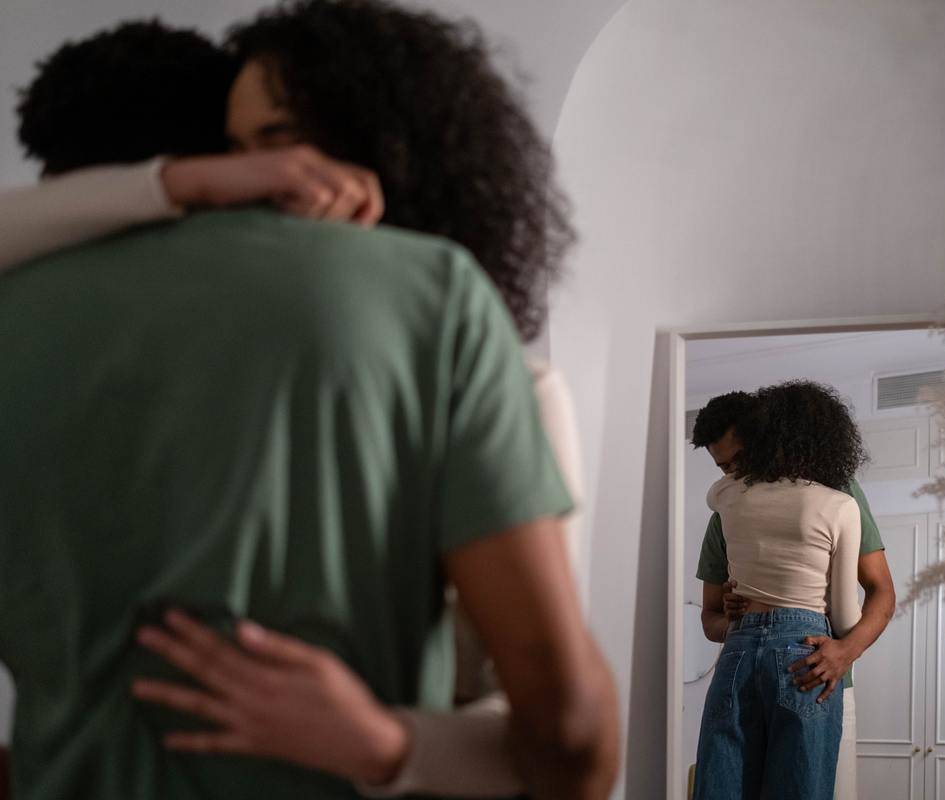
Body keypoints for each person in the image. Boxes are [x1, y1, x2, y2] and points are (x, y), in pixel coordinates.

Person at [0, 7, 615, 800]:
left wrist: (390, 745)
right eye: (236, 152)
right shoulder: (432, 314)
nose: (266, 179)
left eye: (283, 143)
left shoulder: (478, 356)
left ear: (394, 152)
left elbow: (543, 719)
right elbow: (573, 739)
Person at [690, 386, 896, 799]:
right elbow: (710, 619)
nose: (732, 475)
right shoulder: (726, 513)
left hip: (825, 667)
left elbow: (881, 591)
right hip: (783, 651)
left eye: (739, 460)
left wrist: (845, 651)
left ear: (767, 442)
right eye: (723, 466)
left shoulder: (841, 492)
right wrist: (730, 619)